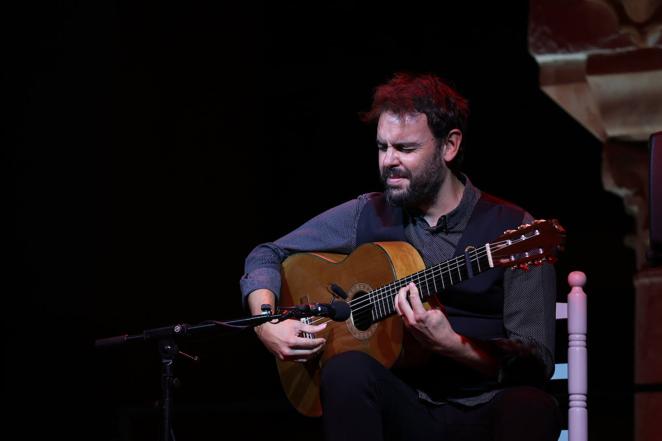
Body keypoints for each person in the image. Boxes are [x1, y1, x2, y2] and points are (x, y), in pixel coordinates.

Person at [240, 72, 561, 441]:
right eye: (382, 147)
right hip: (404, 408)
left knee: (531, 406)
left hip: (484, 407)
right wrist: (267, 323)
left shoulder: (514, 230)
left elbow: (536, 362)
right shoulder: (368, 213)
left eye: (405, 149)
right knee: (346, 372)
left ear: (449, 146)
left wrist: (456, 346)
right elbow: (268, 253)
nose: (388, 161)